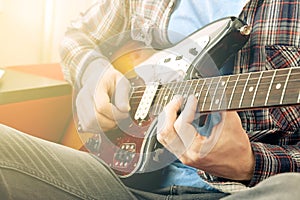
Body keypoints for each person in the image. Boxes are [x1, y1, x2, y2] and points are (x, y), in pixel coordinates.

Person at [0, 0, 299, 199]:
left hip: (239, 193)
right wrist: (92, 72)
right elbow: (78, 34)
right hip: (116, 179)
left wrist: (248, 163)